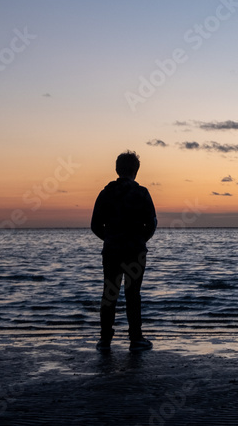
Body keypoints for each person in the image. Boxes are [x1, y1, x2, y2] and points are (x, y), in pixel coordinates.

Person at [91, 150, 157, 351]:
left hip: (112, 251)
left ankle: (105, 340)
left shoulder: (106, 193)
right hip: (135, 251)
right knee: (133, 294)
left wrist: (111, 239)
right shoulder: (142, 193)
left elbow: (95, 225)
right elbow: (152, 223)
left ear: (117, 169)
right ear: (136, 171)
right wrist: (138, 240)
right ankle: (136, 339)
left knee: (109, 293)